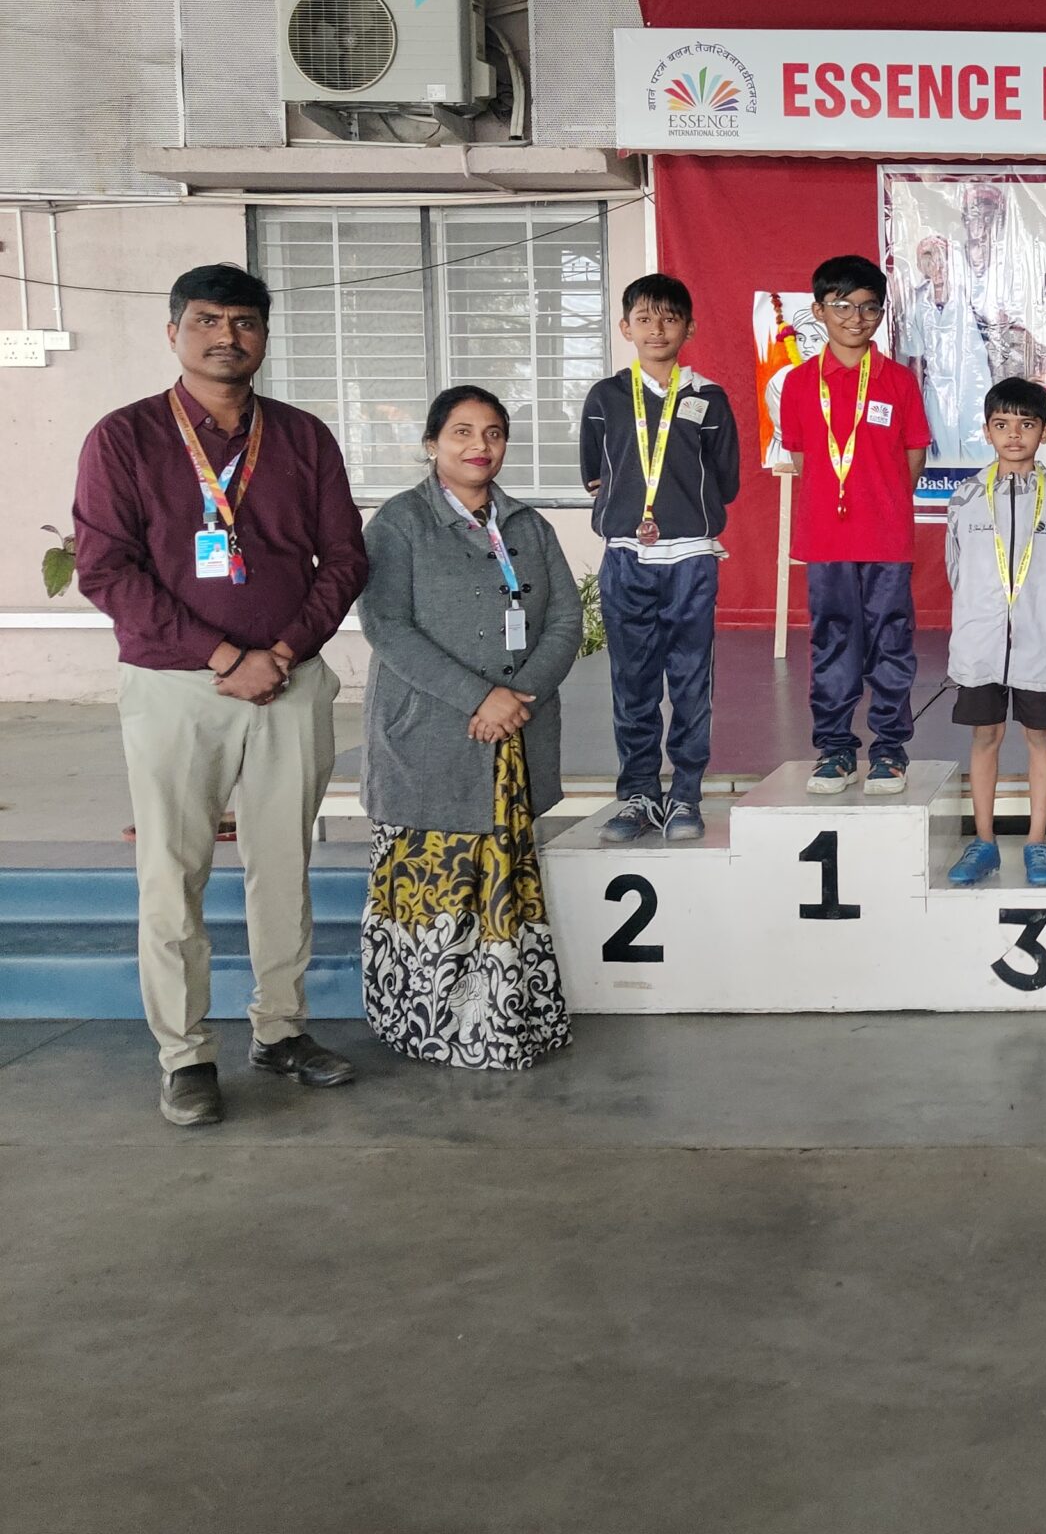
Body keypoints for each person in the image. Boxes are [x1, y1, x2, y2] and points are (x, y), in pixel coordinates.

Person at [74, 263, 369, 1127]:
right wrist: (222, 654)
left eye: (243, 322)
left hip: (288, 683)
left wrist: (280, 652)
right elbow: (106, 569)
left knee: (284, 867)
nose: (226, 337)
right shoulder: (124, 438)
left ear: (264, 337)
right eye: (206, 320)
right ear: (174, 333)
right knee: (173, 874)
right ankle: (185, 1055)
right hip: (176, 688)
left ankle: (280, 1031)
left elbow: (345, 558)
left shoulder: (303, 438)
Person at [356, 387, 582, 1069]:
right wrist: (480, 697)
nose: (479, 446)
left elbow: (565, 619)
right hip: (428, 735)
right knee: (433, 888)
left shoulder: (528, 526)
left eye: (493, 433)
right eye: (461, 431)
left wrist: (519, 696)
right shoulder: (400, 523)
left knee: (504, 885)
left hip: (515, 733)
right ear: (431, 443)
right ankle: (423, 1027)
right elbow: (386, 626)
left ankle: (506, 1025)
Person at [581, 274, 741, 846]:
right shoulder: (605, 397)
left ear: (689, 329)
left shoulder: (709, 398)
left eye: (669, 318)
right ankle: (639, 794)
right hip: (627, 557)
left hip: (691, 559)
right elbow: (594, 473)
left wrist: (682, 506)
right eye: (644, 319)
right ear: (625, 328)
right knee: (633, 682)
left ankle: (686, 795)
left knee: (691, 682)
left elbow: (726, 480)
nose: (657, 329)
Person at [778, 254, 932, 795]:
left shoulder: (898, 381)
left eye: (869, 307)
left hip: (887, 538)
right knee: (833, 641)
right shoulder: (799, 384)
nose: (856, 318)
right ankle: (836, 749)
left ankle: (889, 749)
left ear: (881, 313)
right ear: (819, 310)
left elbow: (914, 456)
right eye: (842, 305)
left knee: (891, 641)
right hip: (826, 539)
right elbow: (802, 460)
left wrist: (879, 501)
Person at [943, 377, 1046, 889]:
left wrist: (1040, 619)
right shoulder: (966, 497)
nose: (1014, 435)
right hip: (980, 646)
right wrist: (986, 617)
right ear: (987, 431)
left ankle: (1037, 840)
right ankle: (984, 841)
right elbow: (956, 570)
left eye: (1026, 424)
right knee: (985, 736)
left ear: (1045, 432)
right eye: (1002, 425)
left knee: (1040, 736)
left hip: (1039, 645)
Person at [901, 234, 995, 468]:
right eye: (930, 262)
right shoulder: (914, 303)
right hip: (937, 392)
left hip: (975, 388)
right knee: (943, 454)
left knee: (981, 451)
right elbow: (915, 360)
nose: (938, 269)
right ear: (921, 267)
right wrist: (914, 406)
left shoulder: (972, 295)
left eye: (942, 261)